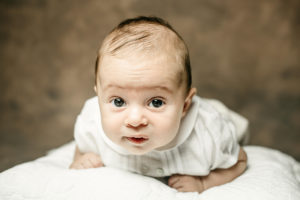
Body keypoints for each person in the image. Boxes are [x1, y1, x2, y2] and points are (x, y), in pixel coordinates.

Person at [69, 16, 249, 193]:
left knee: (235, 126)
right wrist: (80, 159)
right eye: (118, 101)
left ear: (185, 105)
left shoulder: (208, 134)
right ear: (99, 96)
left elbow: (241, 160)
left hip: (221, 116)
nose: (135, 120)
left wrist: (204, 182)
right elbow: (83, 144)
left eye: (156, 102)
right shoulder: (92, 121)